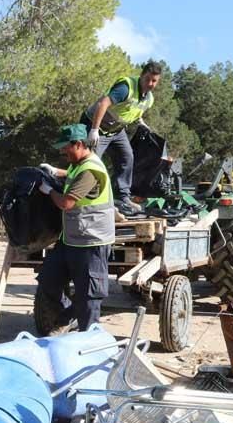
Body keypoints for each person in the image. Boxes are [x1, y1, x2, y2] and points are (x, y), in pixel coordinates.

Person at [37, 123, 115, 332]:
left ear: (79, 144)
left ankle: (89, 340)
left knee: (89, 296)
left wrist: (49, 191)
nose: (63, 151)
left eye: (66, 147)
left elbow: (66, 203)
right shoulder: (78, 164)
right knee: (48, 280)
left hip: (92, 240)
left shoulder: (90, 170)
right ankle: (70, 313)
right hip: (71, 238)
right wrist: (56, 172)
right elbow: (71, 175)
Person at [80, 60, 163, 216]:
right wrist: (94, 130)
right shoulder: (126, 88)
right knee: (92, 162)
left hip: (116, 130)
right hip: (97, 125)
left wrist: (141, 123)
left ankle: (122, 197)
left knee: (127, 157)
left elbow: (133, 110)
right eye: (148, 79)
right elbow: (103, 104)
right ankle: (88, 197)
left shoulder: (149, 98)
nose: (150, 83)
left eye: (154, 81)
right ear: (141, 76)